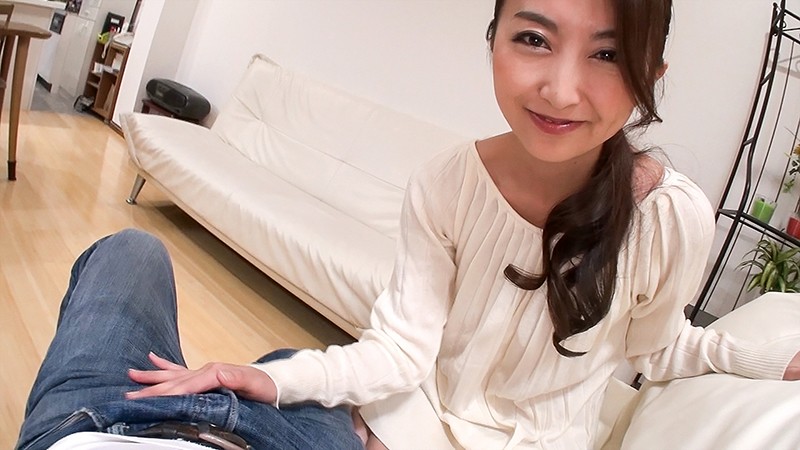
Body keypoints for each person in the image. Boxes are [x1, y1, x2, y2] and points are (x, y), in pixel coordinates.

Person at [17, 0, 800, 449]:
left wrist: (770, 361)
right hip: (382, 426)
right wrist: (279, 382)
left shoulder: (668, 218)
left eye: (607, 54)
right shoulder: (448, 182)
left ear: (651, 76)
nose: (561, 89)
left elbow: (657, 347)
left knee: (137, 282)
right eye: (533, 38)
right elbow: (399, 352)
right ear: (492, 39)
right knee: (152, 265)